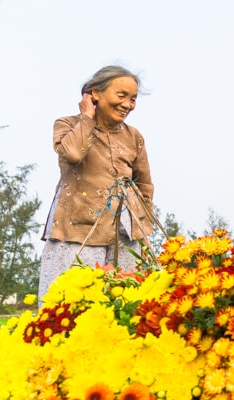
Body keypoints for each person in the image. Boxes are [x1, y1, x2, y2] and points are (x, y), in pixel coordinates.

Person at [39, 65, 154, 303]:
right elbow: (72, 154)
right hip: (76, 231)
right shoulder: (68, 124)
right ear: (95, 94)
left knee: (124, 304)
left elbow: (144, 186)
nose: (128, 104)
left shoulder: (134, 136)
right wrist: (86, 118)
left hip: (123, 235)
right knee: (71, 305)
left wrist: (142, 232)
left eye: (132, 99)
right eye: (121, 96)